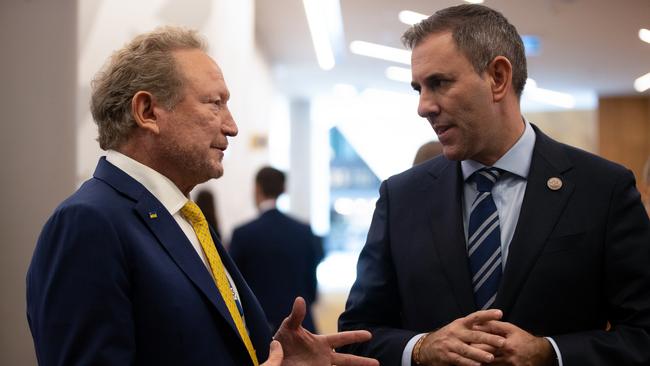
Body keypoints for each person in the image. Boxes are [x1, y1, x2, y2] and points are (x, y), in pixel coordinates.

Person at [26, 26, 378, 366]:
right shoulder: (88, 222)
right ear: (147, 112)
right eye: (215, 103)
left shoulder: (183, 217)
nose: (232, 126)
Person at [338, 4, 650, 366]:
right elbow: (356, 334)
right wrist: (422, 349)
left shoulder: (602, 189)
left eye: (439, 83)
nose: (423, 107)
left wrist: (550, 353)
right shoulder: (401, 197)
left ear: (498, 77)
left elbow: (643, 333)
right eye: (418, 88)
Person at [230, 166, 323, 334]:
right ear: (283, 189)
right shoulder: (304, 231)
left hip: (260, 328)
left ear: (257, 188)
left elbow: (233, 286)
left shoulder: (243, 234)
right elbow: (312, 285)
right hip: (301, 325)